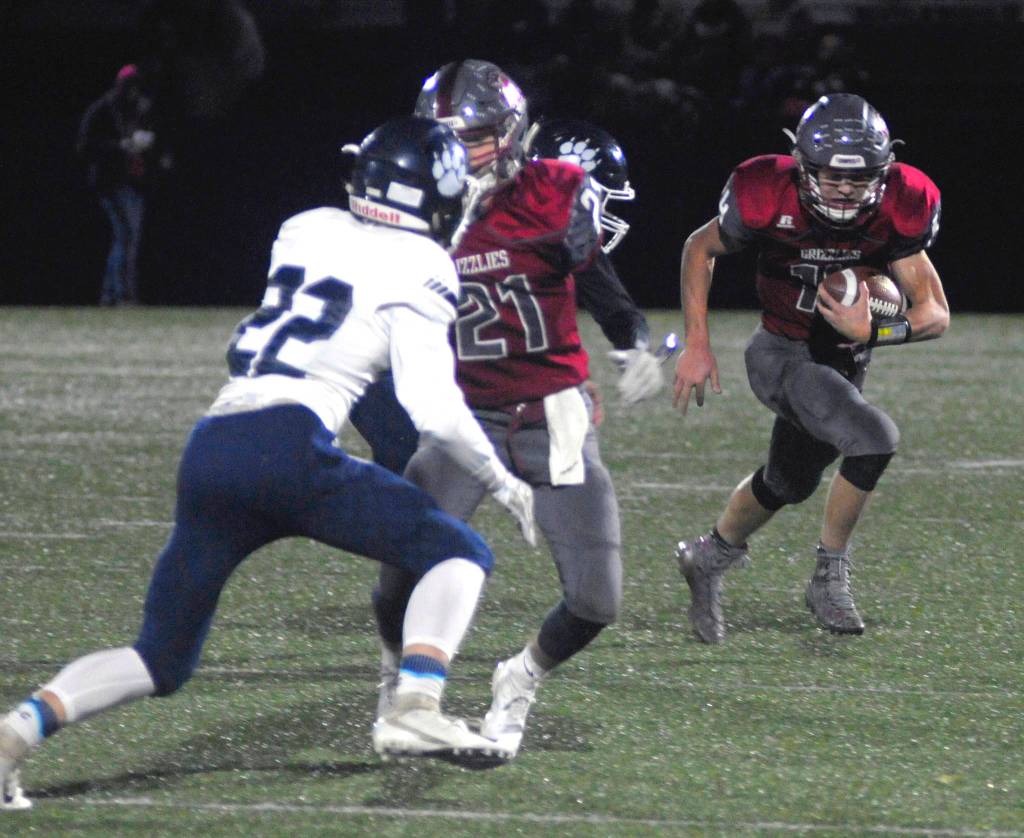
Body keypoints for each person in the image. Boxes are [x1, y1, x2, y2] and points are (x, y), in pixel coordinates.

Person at [0, 116, 538, 812]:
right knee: (458, 551)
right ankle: (415, 704)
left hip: (215, 447)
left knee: (159, 658)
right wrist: (501, 479)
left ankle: (16, 734)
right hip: (289, 447)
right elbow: (432, 408)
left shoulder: (305, 227)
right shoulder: (423, 264)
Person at [367, 59, 629, 760]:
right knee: (399, 573)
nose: (463, 152)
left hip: (555, 412)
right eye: (447, 137)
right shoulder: (410, 213)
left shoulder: (557, 190)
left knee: (597, 601)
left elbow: (594, 270)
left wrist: (631, 339)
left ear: (511, 134)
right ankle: (399, 679)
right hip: (463, 417)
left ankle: (521, 677)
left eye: (477, 136)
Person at [671, 93, 949, 644]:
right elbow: (699, 248)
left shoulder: (902, 202)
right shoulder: (764, 193)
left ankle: (710, 554)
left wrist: (873, 332)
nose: (845, 189)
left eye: (860, 176)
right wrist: (698, 343)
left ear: (883, 171)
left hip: (842, 363)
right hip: (780, 352)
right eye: (831, 175)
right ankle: (829, 573)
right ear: (802, 166)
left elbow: (934, 314)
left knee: (787, 482)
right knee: (874, 438)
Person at [348, 115, 665, 475]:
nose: (591, 212)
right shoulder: (456, 209)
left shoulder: (548, 230)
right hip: (376, 359)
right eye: (586, 195)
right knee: (423, 476)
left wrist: (636, 349)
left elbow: (616, 309)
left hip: (432, 367)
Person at [76, 64, 170, 306]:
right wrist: (120, 146)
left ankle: (111, 295)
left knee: (127, 239)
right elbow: (85, 146)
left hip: (135, 183)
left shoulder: (139, 110)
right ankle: (123, 294)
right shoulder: (103, 110)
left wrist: (156, 154)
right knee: (126, 237)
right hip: (111, 183)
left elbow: (155, 140)